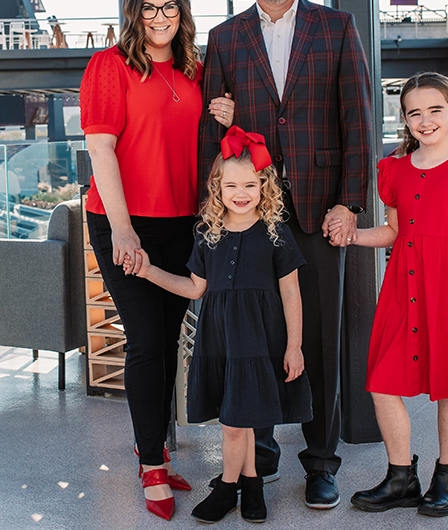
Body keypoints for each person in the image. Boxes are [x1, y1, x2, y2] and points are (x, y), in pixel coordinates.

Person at [200, 0, 372, 509]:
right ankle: (261, 450)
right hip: (253, 216)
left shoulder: (337, 27)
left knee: (319, 338)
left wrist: (350, 204)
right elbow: (214, 138)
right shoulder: (223, 40)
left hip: (321, 210)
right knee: (258, 335)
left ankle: (322, 459)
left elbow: (358, 124)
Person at [80, 0, 228, 521]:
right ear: (133, 13)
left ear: (183, 13)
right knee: (145, 341)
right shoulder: (108, 67)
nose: (161, 18)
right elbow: (101, 151)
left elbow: (213, 136)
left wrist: (227, 113)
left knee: (169, 343)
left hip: (182, 222)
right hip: (124, 221)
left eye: (170, 7)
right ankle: (150, 465)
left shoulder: (197, 69)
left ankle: (157, 448)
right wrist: (122, 229)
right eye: (150, 8)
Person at [125, 126, 313, 523]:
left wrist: (294, 346)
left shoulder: (275, 232)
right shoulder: (207, 233)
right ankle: (252, 485)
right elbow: (194, 288)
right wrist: (148, 271)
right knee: (237, 419)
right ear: (218, 188)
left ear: (264, 186)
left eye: (250, 184)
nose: (240, 193)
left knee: (234, 423)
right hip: (220, 339)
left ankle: (229, 489)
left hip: (259, 340)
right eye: (231, 185)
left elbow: (291, 292)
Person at [340, 72, 448, 517]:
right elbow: (393, 231)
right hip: (403, 288)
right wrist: (351, 235)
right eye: (414, 112)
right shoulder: (395, 169)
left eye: (434, 110)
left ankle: (447, 477)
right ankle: (400, 478)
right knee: (382, 381)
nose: (425, 120)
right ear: (404, 119)